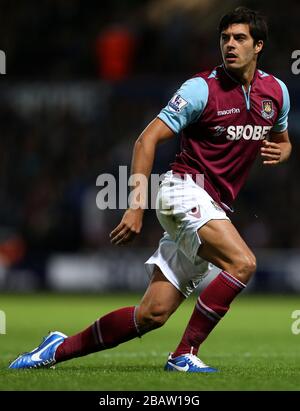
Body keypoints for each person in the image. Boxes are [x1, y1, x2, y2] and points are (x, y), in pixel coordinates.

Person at [9, 7, 292, 372]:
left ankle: (55, 349)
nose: (230, 45)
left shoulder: (276, 93)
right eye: (225, 38)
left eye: (239, 38)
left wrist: (282, 150)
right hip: (183, 191)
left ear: (259, 46)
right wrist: (135, 206)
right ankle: (183, 354)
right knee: (242, 263)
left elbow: (283, 141)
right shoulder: (200, 89)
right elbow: (146, 141)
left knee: (152, 314)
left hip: (214, 207)